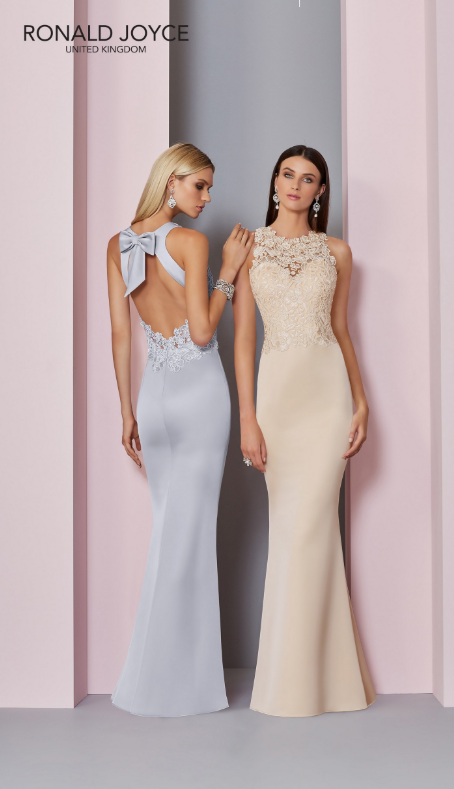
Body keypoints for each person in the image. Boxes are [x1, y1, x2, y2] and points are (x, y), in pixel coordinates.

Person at [107, 142, 253, 717]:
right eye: (200, 185)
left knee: (170, 530)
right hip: (198, 396)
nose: (207, 197)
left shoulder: (118, 244)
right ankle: (180, 686)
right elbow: (201, 333)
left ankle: (153, 678)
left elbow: (122, 335)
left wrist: (127, 411)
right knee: (189, 537)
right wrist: (230, 274)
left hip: (154, 399)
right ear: (171, 182)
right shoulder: (190, 243)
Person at [233, 145, 376, 717]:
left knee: (314, 529)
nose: (295, 184)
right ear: (275, 182)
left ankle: (314, 684)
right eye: (287, 174)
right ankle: (301, 683)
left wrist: (361, 402)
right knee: (291, 533)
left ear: (320, 192)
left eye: (308, 178)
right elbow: (244, 339)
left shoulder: (337, 251)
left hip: (327, 399)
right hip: (277, 401)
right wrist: (247, 417)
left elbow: (341, 329)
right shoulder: (248, 246)